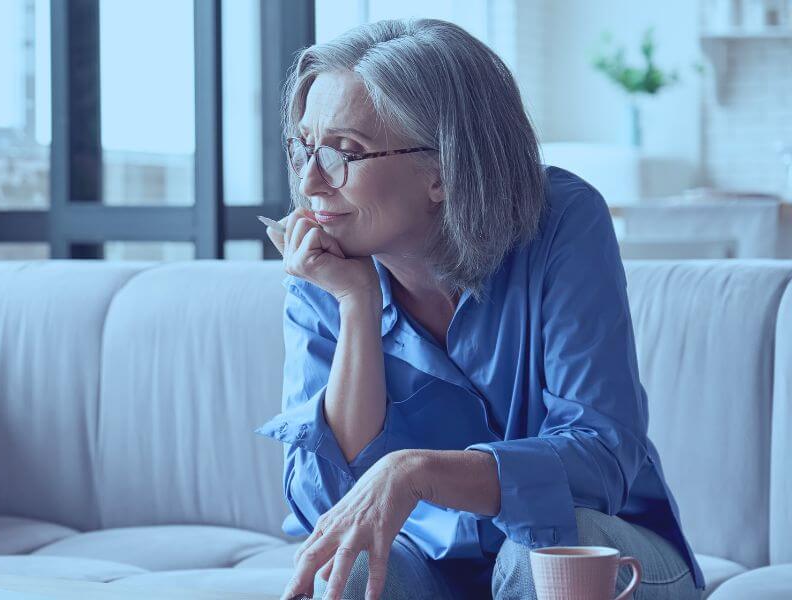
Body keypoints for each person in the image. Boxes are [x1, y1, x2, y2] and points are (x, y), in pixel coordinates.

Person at [253, 18, 704, 600]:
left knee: (538, 553)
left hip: (598, 543)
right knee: (352, 569)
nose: (312, 182)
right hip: (429, 560)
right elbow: (326, 503)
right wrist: (357, 305)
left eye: (344, 151)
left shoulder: (562, 221)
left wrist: (416, 471)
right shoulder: (325, 264)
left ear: (442, 169)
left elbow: (601, 457)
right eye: (304, 148)